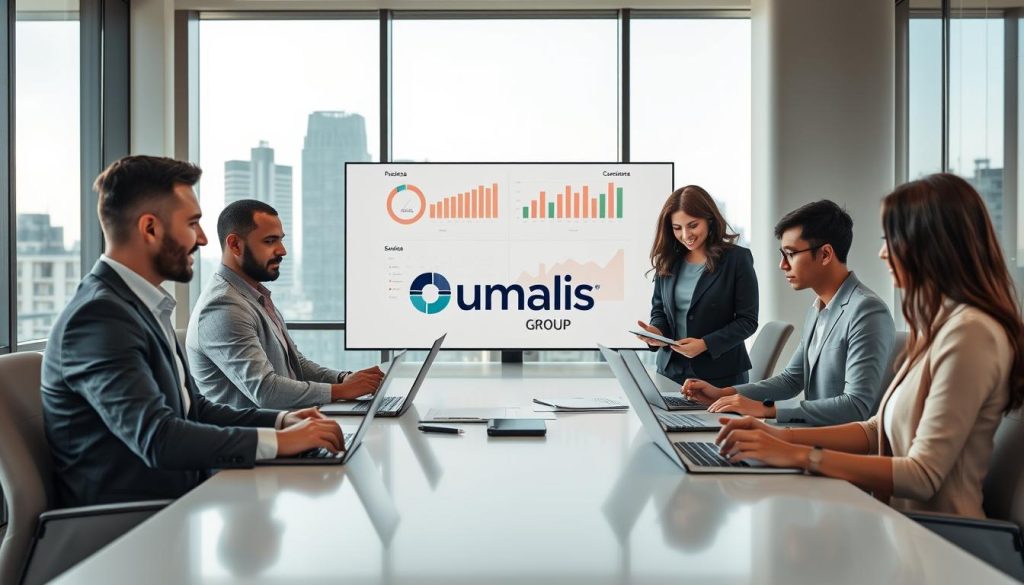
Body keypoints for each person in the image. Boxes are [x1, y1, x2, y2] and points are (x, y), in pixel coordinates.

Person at [42, 156, 345, 507]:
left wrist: (281, 420)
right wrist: (281, 443)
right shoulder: (98, 317)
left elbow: (193, 410)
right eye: (192, 224)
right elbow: (159, 439)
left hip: (183, 497)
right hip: (132, 524)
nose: (202, 239)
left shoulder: (141, 305)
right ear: (150, 228)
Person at [715, 174, 1024, 518]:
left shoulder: (972, 334)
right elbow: (876, 428)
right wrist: (777, 438)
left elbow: (923, 476)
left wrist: (798, 454)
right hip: (899, 525)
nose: (881, 252)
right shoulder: (939, 327)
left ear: (931, 245)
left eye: (891, 239)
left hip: (941, 542)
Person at [684, 200, 895, 425]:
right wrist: (723, 393)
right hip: (808, 435)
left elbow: (855, 406)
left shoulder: (867, 311)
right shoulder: (818, 309)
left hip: (836, 449)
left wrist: (765, 409)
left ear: (825, 254)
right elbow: (790, 380)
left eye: (790, 254)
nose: (782, 265)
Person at [186, 199, 383, 409]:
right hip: (260, 437)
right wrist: (342, 391)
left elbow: (296, 364)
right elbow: (266, 391)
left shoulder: (254, 297)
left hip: (289, 426)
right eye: (270, 241)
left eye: (280, 240)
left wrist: (344, 379)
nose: (282, 251)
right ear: (235, 244)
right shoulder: (223, 307)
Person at [635, 185, 758, 387]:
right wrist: (656, 333)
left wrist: (705, 345)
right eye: (677, 228)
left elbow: (747, 321)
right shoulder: (668, 261)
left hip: (721, 376)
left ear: (709, 220)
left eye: (693, 225)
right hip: (671, 373)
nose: (686, 235)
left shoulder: (737, 259)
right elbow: (660, 311)